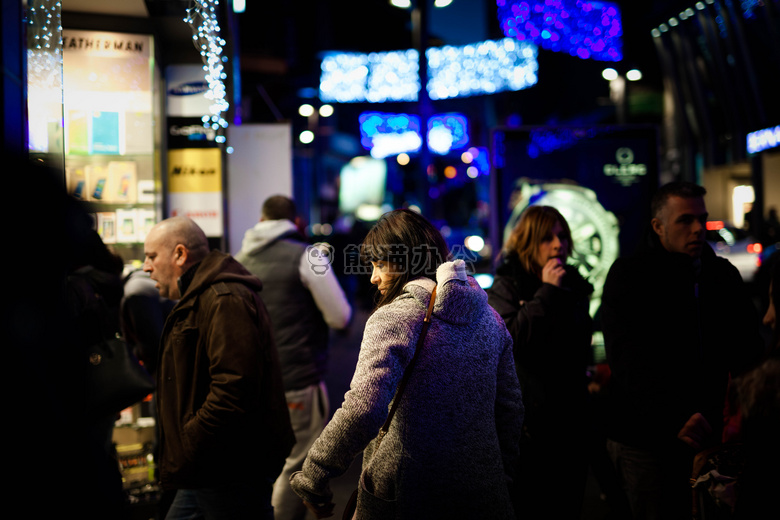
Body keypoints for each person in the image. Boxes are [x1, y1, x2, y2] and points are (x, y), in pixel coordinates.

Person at [290, 209, 524, 519]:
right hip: (484, 496)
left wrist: (314, 474)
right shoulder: (490, 319)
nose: (373, 278)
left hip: (407, 495)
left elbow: (363, 408)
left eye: (380, 264)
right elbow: (510, 408)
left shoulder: (393, 318)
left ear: (405, 260)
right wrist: (502, 478)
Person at [601, 181, 763, 520]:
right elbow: (628, 361)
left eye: (701, 219)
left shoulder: (721, 275)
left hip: (708, 434)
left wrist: (741, 415)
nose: (698, 229)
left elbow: (748, 351)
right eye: (685, 220)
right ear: (658, 226)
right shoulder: (630, 276)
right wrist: (674, 416)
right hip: (644, 438)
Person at [142, 216, 295, 519]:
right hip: (209, 464)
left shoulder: (224, 298)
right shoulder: (203, 295)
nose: (146, 267)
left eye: (152, 256)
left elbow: (234, 389)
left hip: (228, 467)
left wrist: (190, 441)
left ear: (180, 254)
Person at [235, 195, 352, 520]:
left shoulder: (239, 259)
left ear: (262, 220)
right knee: (297, 465)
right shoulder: (309, 255)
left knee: (261, 463)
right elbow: (340, 317)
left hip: (252, 382)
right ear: (295, 221)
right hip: (297, 379)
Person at [486, 205, 595, 518]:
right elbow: (509, 339)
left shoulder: (574, 285)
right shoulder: (508, 285)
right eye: (547, 238)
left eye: (562, 236)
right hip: (527, 426)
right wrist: (546, 292)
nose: (558, 245)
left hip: (571, 419)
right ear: (528, 243)